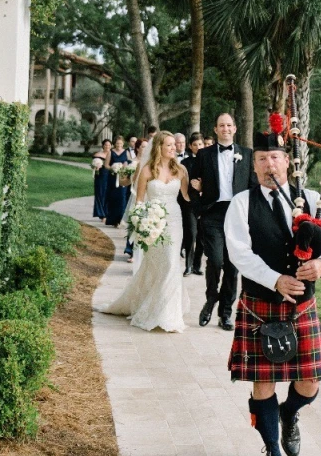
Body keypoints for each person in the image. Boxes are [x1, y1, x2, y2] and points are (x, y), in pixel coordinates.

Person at [224, 126, 321, 456]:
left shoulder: (314, 199)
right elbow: (239, 253)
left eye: (275, 157)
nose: (269, 164)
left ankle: (290, 413)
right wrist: (275, 279)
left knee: (309, 382)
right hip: (260, 305)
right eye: (262, 158)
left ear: (287, 161)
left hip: (301, 308)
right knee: (263, 384)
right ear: (254, 164)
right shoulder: (242, 204)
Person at [98, 131, 191, 332]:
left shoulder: (181, 170)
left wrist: (200, 189)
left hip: (174, 221)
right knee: (156, 265)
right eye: (169, 145)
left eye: (174, 145)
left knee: (172, 263)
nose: (174, 148)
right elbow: (139, 201)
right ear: (159, 147)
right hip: (154, 222)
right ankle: (151, 305)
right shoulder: (147, 170)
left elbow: (186, 197)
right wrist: (142, 223)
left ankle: (168, 314)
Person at [190, 113, 255, 330]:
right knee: (216, 261)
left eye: (229, 125)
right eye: (221, 125)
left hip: (238, 215)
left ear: (235, 129)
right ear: (215, 130)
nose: (225, 129)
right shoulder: (204, 154)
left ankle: (226, 313)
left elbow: (254, 188)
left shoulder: (247, 154)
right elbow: (192, 182)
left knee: (232, 266)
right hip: (213, 214)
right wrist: (199, 209)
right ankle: (210, 299)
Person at [181, 132, 204, 276]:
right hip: (189, 202)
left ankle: (197, 265)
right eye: (195, 144)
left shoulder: (209, 160)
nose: (198, 147)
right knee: (191, 233)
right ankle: (188, 265)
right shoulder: (185, 163)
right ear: (190, 146)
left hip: (205, 203)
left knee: (202, 236)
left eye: (200, 144)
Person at [124, 137, 148, 261]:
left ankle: (141, 251)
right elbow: (126, 181)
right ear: (138, 148)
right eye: (143, 146)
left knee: (144, 223)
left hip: (146, 195)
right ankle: (131, 250)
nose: (146, 149)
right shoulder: (132, 162)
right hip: (133, 194)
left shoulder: (149, 163)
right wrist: (126, 175)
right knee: (134, 221)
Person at [104, 135, 129, 227]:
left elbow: (127, 163)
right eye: (117, 143)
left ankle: (120, 219)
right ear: (115, 143)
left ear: (123, 143)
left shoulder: (126, 152)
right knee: (113, 198)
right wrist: (113, 168)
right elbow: (106, 165)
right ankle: (113, 220)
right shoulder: (111, 152)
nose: (119, 145)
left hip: (122, 178)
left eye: (120, 143)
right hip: (112, 178)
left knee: (122, 198)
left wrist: (123, 169)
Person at [92, 138, 112, 221]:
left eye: (109, 145)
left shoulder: (112, 154)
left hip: (110, 176)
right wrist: (95, 166)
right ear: (103, 146)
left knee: (109, 194)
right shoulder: (98, 154)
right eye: (105, 145)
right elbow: (93, 164)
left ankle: (107, 213)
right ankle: (101, 214)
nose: (107, 146)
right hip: (100, 176)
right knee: (100, 193)